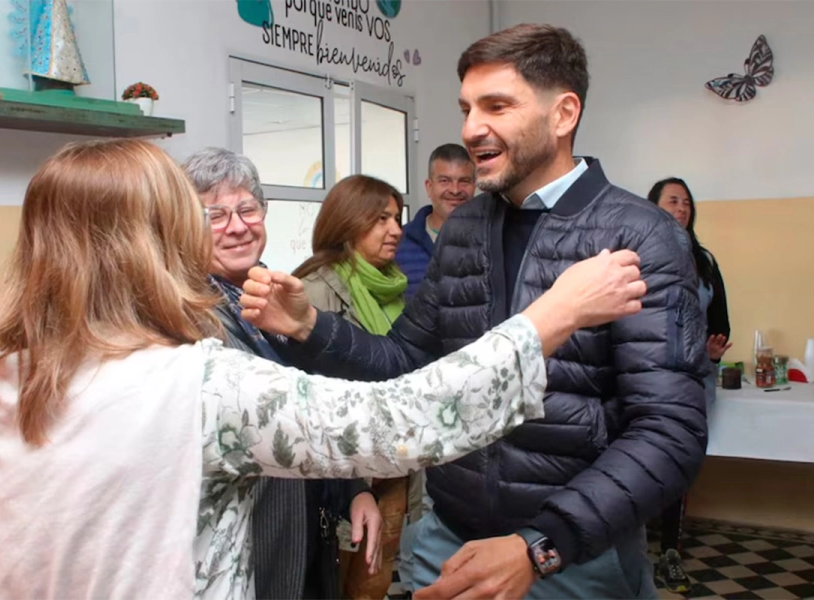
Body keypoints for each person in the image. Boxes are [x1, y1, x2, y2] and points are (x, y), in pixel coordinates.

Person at [0, 138, 646, 600]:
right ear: (155, 242)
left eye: (244, 208)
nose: (222, 228)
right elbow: (402, 420)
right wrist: (553, 315)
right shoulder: (196, 385)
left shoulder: (15, 372)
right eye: (195, 217)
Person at [240, 23, 709, 600]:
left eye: (496, 106)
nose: (470, 129)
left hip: (573, 557)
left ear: (563, 114)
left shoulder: (641, 234)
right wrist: (310, 326)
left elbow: (669, 431)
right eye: (466, 108)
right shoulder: (465, 228)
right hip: (448, 541)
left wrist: (541, 546)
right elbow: (408, 361)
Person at [181, 147, 381, 599]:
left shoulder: (274, 292)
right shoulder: (188, 320)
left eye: (247, 208)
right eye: (215, 215)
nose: (237, 226)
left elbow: (313, 409)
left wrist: (353, 489)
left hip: (306, 535)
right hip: (250, 552)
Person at [292, 174, 411, 599]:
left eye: (396, 218)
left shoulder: (393, 288)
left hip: (395, 467)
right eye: (381, 219)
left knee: (372, 586)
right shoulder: (311, 290)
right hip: (343, 474)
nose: (395, 229)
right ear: (348, 222)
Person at [648, 176, 731, 593]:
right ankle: (627, 548)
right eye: (672, 201)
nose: (681, 209)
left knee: (681, 462)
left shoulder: (704, 261)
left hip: (695, 378)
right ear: (653, 207)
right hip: (648, 376)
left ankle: (669, 551)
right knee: (642, 458)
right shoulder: (635, 253)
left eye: (686, 202)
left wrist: (714, 350)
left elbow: (720, 321)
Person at [395, 143, 475, 299]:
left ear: (474, 185)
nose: (455, 190)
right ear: (429, 187)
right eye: (445, 181)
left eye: (464, 181)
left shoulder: (490, 240)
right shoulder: (398, 243)